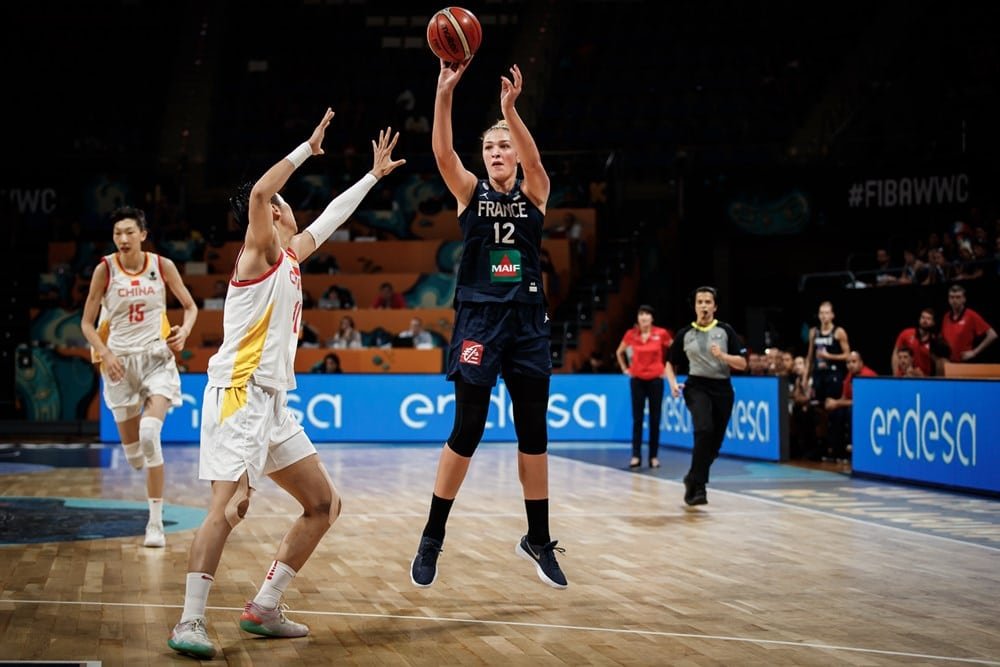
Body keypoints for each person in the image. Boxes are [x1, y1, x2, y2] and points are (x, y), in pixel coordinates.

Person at [167, 109, 404, 659]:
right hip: (239, 393)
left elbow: (331, 218)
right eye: (283, 202)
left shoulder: (291, 256)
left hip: (272, 401)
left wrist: (372, 177)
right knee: (229, 507)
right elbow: (258, 193)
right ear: (274, 212)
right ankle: (189, 621)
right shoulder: (259, 252)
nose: (293, 209)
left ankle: (265, 606)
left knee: (324, 503)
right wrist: (306, 149)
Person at [409, 59, 569, 590]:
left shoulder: (535, 192)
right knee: (468, 430)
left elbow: (536, 160)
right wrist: (444, 92)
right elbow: (442, 152)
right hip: (480, 320)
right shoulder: (469, 193)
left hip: (527, 322)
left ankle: (538, 539)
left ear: (516, 154)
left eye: (504, 147)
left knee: (534, 434)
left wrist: (509, 111)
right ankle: (432, 536)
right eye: (489, 148)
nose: (497, 153)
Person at [80, 206, 199, 549]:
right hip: (118, 363)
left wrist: (184, 331)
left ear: (143, 235)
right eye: (118, 233)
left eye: (129, 232)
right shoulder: (105, 269)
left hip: (156, 359)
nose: (123, 238)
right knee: (134, 457)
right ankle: (134, 454)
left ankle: (155, 523)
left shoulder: (162, 266)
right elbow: (86, 324)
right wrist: (105, 354)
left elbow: (190, 307)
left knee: (150, 434)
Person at [665, 286, 747, 506]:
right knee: (704, 429)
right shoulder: (685, 334)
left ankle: (692, 477)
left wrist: (723, 356)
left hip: (722, 388)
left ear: (715, 306)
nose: (703, 306)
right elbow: (669, 363)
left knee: (714, 445)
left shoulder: (725, 330)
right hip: (696, 386)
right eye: (699, 302)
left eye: (708, 302)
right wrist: (673, 384)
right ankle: (699, 487)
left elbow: (742, 363)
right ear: (694, 306)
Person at [615, 304, 673, 469]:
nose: (644, 317)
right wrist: (625, 368)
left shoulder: (661, 333)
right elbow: (619, 352)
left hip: (656, 379)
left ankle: (653, 457)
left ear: (652, 318)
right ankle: (636, 456)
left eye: (647, 314)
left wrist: (668, 369)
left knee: (655, 419)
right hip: (637, 380)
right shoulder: (631, 334)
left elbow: (675, 349)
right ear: (638, 318)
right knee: (637, 419)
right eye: (641, 314)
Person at [823, 350, 877, 462]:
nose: (850, 365)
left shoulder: (867, 375)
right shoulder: (849, 376)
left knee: (851, 411)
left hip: (869, 409)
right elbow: (844, 398)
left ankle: (854, 449)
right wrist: (833, 402)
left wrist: (837, 403)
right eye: (848, 362)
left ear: (861, 362)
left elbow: (861, 401)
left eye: (854, 361)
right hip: (852, 405)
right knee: (836, 412)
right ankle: (837, 452)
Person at [940, 284, 997, 362]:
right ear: (948, 299)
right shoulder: (946, 316)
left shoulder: (971, 315)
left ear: (964, 299)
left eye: (958, 297)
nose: (954, 300)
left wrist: (974, 352)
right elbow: (944, 338)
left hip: (964, 363)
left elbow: (992, 335)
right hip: (949, 362)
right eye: (951, 297)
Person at [891, 307, 938, 377]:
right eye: (923, 317)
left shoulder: (936, 342)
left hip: (924, 379)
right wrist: (896, 375)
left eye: (928, 319)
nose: (925, 320)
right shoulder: (906, 333)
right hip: (903, 377)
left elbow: (937, 363)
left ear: (933, 323)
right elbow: (895, 354)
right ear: (919, 319)